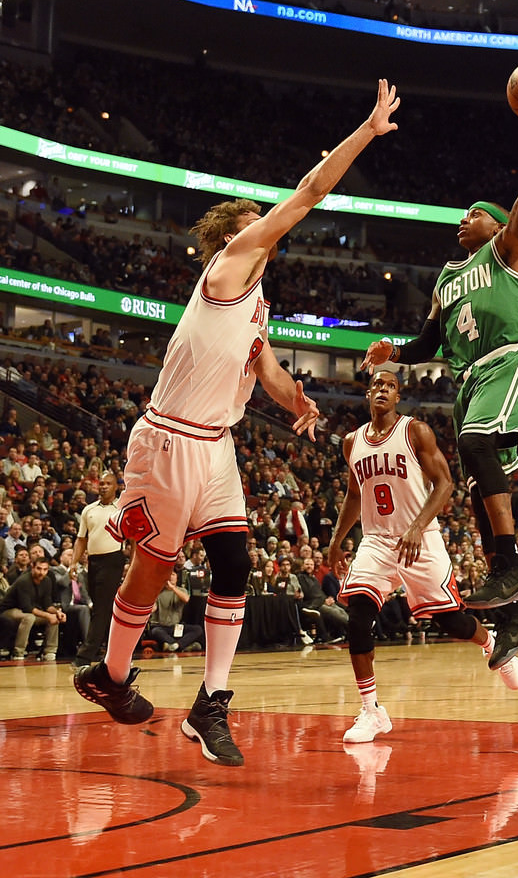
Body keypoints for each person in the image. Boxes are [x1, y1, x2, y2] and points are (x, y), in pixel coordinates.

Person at [73, 79, 400, 765]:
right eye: (254, 221)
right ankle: (109, 675)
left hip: (215, 446)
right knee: (153, 572)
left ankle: (210, 705)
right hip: (168, 440)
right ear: (231, 238)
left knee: (234, 564)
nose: (267, 228)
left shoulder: (256, 303)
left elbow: (268, 371)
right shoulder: (227, 268)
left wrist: (298, 404)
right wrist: (367, 132)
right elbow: (310, 192)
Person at [360, 73, 518, 668]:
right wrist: (396, 353)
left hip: (510, 362)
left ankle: (509, 566)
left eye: (473, 213)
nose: (463, 219)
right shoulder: (447, 280)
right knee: (480, 493)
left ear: (496, 224)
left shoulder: (506, 251)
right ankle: (516, 614)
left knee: (478, 442)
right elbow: (431, 339)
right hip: (471, 381)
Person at [329, 370, 518, 744]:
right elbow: (355, 494)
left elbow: (446, 483)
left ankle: (491, 642)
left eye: (389, 386)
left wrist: (418, 525)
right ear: (368, 394)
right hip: (377, 541)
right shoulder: (352, 442)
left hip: (420, 538)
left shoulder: (415, 431)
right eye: (376, 386)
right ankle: (372, 711)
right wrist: (338, 540)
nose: (381, 390)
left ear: (398, 396)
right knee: (358, 617)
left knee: (451, 623)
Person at [69, 472, 124, 668]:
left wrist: (132, 564)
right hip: (93, 562)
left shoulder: (122, 508)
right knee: (103, 609)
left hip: (114, 560)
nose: (103, 487)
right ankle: (116, 654)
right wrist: (73, 563)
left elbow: (133, 540)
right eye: (100, 483)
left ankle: (83, 657)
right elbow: (81, 539)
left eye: (107, 483)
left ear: (115, 487)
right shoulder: (88, 510)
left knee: (100, 610)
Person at [0, 557, 66, 660]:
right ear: (32, 567)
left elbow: (47, 605)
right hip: (9, 610)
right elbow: (27, 608)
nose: (42, 572)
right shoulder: (24, 581)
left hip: (29, 610)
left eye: (45, 569)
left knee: (54, 618)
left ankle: (50, 651)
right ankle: (18, 652)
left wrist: (57, 612)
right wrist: (48, 616)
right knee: (29, 617)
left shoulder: (47, 581)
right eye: (39, 569)